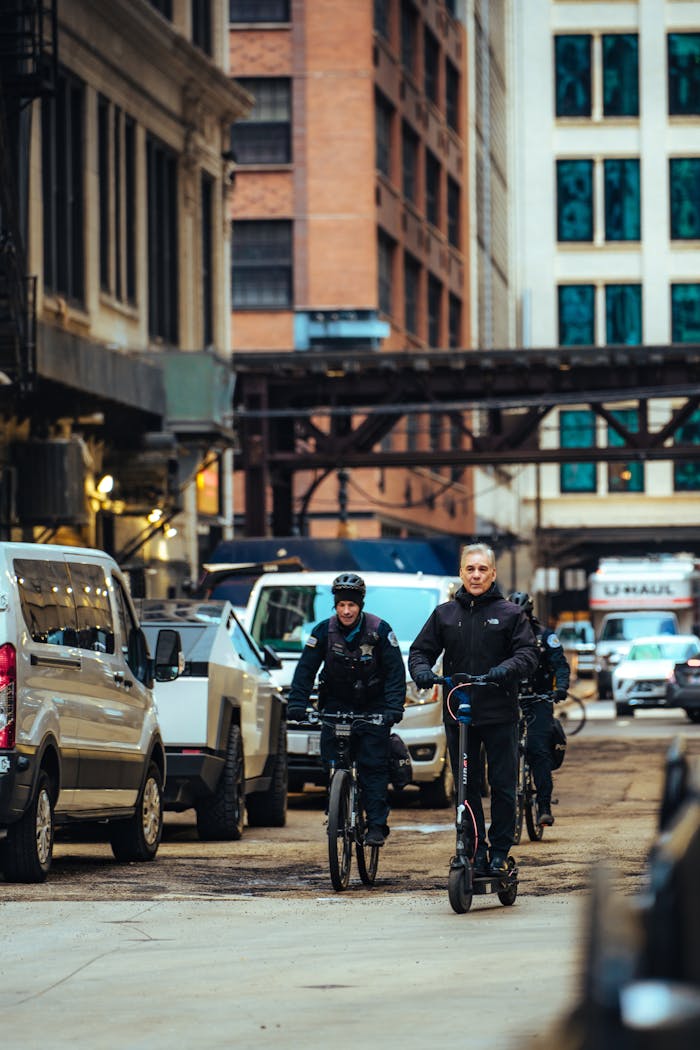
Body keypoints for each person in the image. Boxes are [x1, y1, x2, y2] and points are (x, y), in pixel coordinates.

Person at [408, 543, 538, 875]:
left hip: (499, 712)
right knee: (466, 786)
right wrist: (422, 671)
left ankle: (500, 851)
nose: (476, 575)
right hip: (459, 713)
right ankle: (475, 848)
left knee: (503, 786)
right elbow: (420, 651)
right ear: (461, 573)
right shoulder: (444, 614)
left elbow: (527, 655)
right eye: (470, 569)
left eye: (482, 569)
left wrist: (505, 669)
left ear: (493, 573)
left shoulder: (511, 614)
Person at [286, 572, 406, 847]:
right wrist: (297, 703)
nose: (346, 611)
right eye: (341, 605)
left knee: (372, 766)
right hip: (336, 704)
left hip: (373, 706)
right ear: (336, 605)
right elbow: (305, 670)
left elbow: (395, 673)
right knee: (332, 759)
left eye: (351, 605)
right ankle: (337, 805)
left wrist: (393, 707)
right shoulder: (323, 631)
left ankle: (376, 824)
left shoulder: (380, 630)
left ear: (360, 605)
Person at [507, 591, 571, 828]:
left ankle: (544, 806)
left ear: (529, 614)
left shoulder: (545, 637)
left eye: (522, 615)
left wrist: (560, 688)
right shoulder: (501, 636)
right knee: (503, 751)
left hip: (539, 698)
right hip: (510, 700)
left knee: (538, 750)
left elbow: (560, 665)